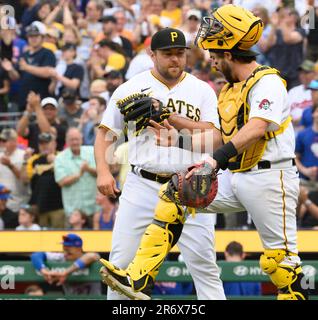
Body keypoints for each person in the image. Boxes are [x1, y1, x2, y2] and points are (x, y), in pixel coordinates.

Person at [99, 5, 308, 301]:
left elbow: (257, 128)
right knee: (177, 194)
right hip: (236, 176)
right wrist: (173, 126)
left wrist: (215, 159)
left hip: (271, 178)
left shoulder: (268, 82)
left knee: (282, 267)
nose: (210, 59)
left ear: (228, 52)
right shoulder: (231, 89)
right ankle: (139, 278)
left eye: (214, 53)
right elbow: (218, 136)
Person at [95, 27, 225, 300]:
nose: (175, 59)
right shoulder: (130, 88)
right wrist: (104, 171)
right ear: (151, 54)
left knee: (204, 266)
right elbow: (106, 133)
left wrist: (175, 119)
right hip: (142, 184)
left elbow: (215, 138)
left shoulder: (203, 90)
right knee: (120, 264)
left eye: (180, 53)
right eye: (168, 54)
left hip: (188, 187)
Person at [30, 233, 101, 295]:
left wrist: (65, 272)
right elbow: (36, 255)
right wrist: (44, 271)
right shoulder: (62, 257)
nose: (65, 253)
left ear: (78, 248)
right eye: (64, 249)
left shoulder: (88, 256)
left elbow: (92, 256)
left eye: (68, 250)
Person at [54, 128, 99, 221]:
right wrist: (79, 174)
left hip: (94, 209)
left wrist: (89, 169)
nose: (75, 142)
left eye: (77, 139)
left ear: (81, 139)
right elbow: (61, 182)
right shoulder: (60, 158)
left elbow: (103, 173)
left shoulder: (92, 151)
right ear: (66, 141)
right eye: (72, 140)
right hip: (73, 213)